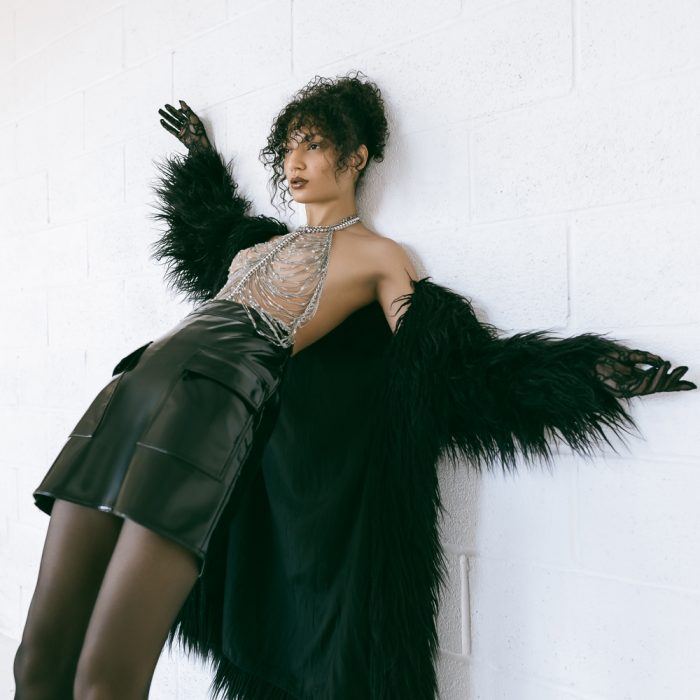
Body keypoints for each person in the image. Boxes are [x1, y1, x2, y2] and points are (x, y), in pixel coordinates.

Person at [13, 71, 695, 700]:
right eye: (288, 147)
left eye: (313, 144)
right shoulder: (251, 244)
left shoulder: (380, 257)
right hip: (126, 393)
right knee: (35, 661)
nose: (295, 161)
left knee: (106, 681)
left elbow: (453, 367)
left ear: (357, 156)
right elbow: (206, 226)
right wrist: (199, 157)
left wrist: (584, 372)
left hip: (210, 410)